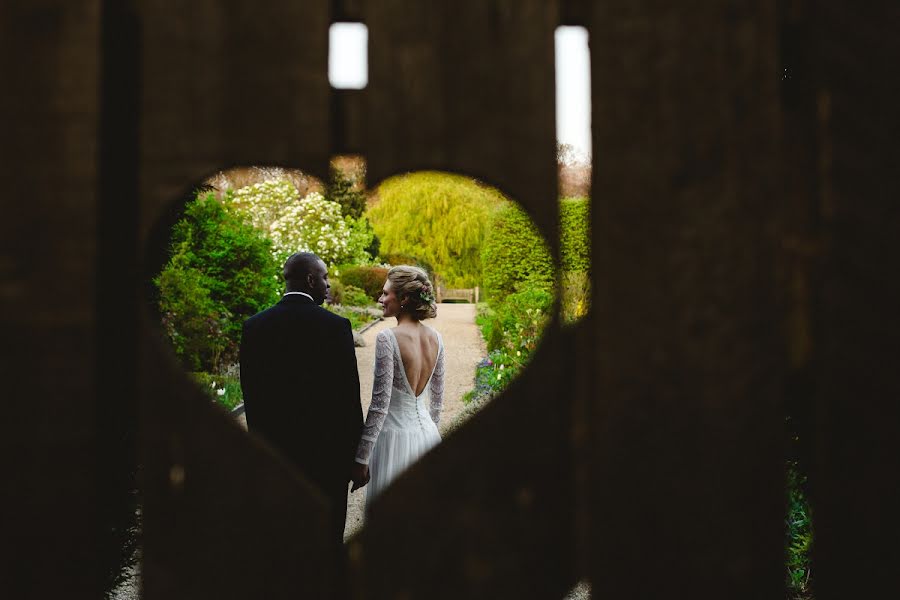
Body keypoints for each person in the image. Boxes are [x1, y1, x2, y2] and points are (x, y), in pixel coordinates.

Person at [239, 252, 367, 544]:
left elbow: (252, 396)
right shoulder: (335, 327)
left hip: (277, 455)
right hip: (327, 457)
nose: (328, 284)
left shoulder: (255, 327)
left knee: (283, 540)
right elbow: (348, 398)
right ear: (310, 280)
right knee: (328, 539)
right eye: (324, 277)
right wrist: (356, 457)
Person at [351, 265, 444, 512]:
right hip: (428, 437)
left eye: (385, 294)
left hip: (393, 440)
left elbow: (380, 406)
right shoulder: (436, 338)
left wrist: (361, 458)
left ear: (403, 298)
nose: (380, 299)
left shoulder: (387, 338)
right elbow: (436, 401)